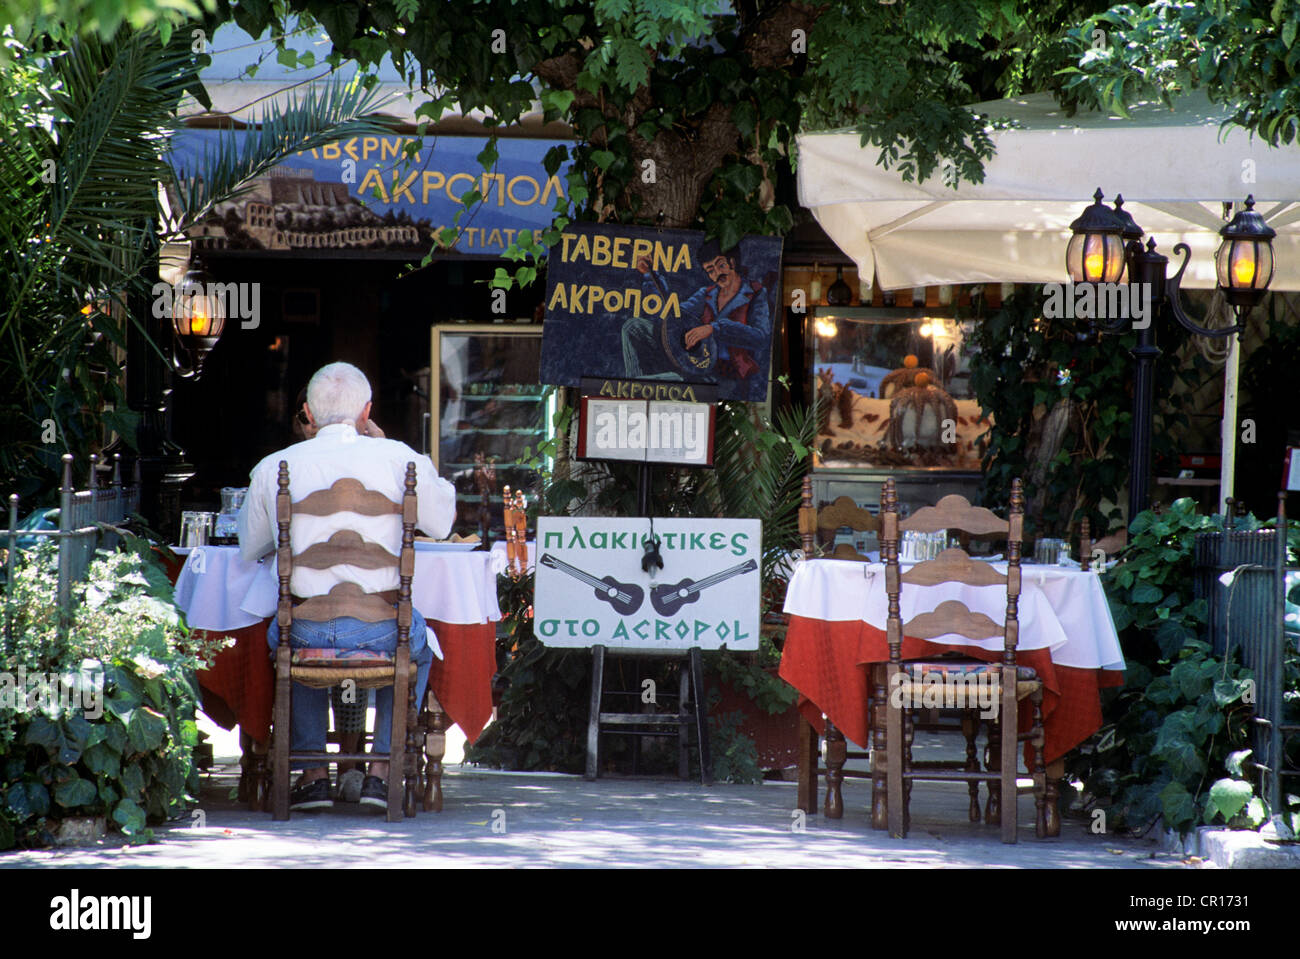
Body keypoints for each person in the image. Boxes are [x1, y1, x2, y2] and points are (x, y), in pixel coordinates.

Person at [239, 362, 455, 811]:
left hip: (305, 633)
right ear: (367, 412)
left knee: (284, 632)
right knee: (415, 641)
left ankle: (314, 774)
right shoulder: (402, 460)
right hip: (383, 632)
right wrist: (387, 447)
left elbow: (249, 546)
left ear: (308, 414)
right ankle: (380, 772)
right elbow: (442, 522)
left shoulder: (274, 466)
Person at [620, 238, 772, 386]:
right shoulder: (706, 294)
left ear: (732, 262)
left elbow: (761, 338)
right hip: (692, 363)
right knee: (634, 327)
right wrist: (650, 275)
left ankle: (640, 384)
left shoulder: (756, 293)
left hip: (726, 374)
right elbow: (673, 315)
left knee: (674, 380)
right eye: (710, 270)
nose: (717, 273)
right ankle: (632, 389)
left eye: (721, 265)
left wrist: (714, 328)